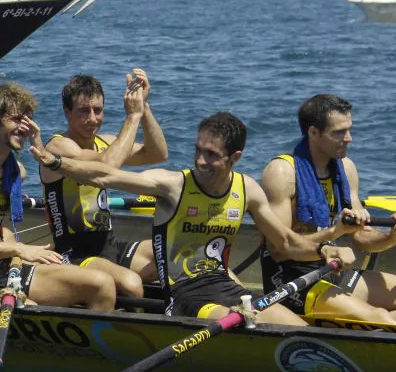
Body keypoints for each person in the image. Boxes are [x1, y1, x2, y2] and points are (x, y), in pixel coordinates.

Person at [30, 111, 353, 325]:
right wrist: (56, 163)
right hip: (186, 298)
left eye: (211, 155)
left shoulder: (247, 190)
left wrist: (327, 246)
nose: (201, 160)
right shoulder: (173, 185)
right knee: (246, 324)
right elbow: (104, 176)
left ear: (234, 157)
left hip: (227, 289)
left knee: (298, 329)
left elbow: (286, 242)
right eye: (199, 151)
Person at [0, 82, 116, 309]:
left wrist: (18, 254)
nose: (23, 127)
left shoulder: (16, 171)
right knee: (28, 307)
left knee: (102, 284)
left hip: (8, 268)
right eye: (16, 119)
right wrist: (19, 249)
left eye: (27, 120)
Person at [260, 95, 396, 325]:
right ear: (313, 133)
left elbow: (360, 236)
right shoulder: (282, 172)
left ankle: (352, 328)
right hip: (292, 282)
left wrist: (392, 237)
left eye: (349, 130)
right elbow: (279, 249)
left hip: (334, 272)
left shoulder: (346, 169)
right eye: (338, 132)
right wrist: (334, 233)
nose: (349, 138)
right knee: (380, 319)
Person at [40, 71, 168, 298]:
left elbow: (157, 153)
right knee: (131, 284)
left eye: (97, 110)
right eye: (84, 111)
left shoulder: (105, 142)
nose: (92, 118)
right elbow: (108, 165)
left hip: (108, 246)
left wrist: (143, 107)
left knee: (171, 255)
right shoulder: (59, 148)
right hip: (75, 254)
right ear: (67, 113)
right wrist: (132, 118)